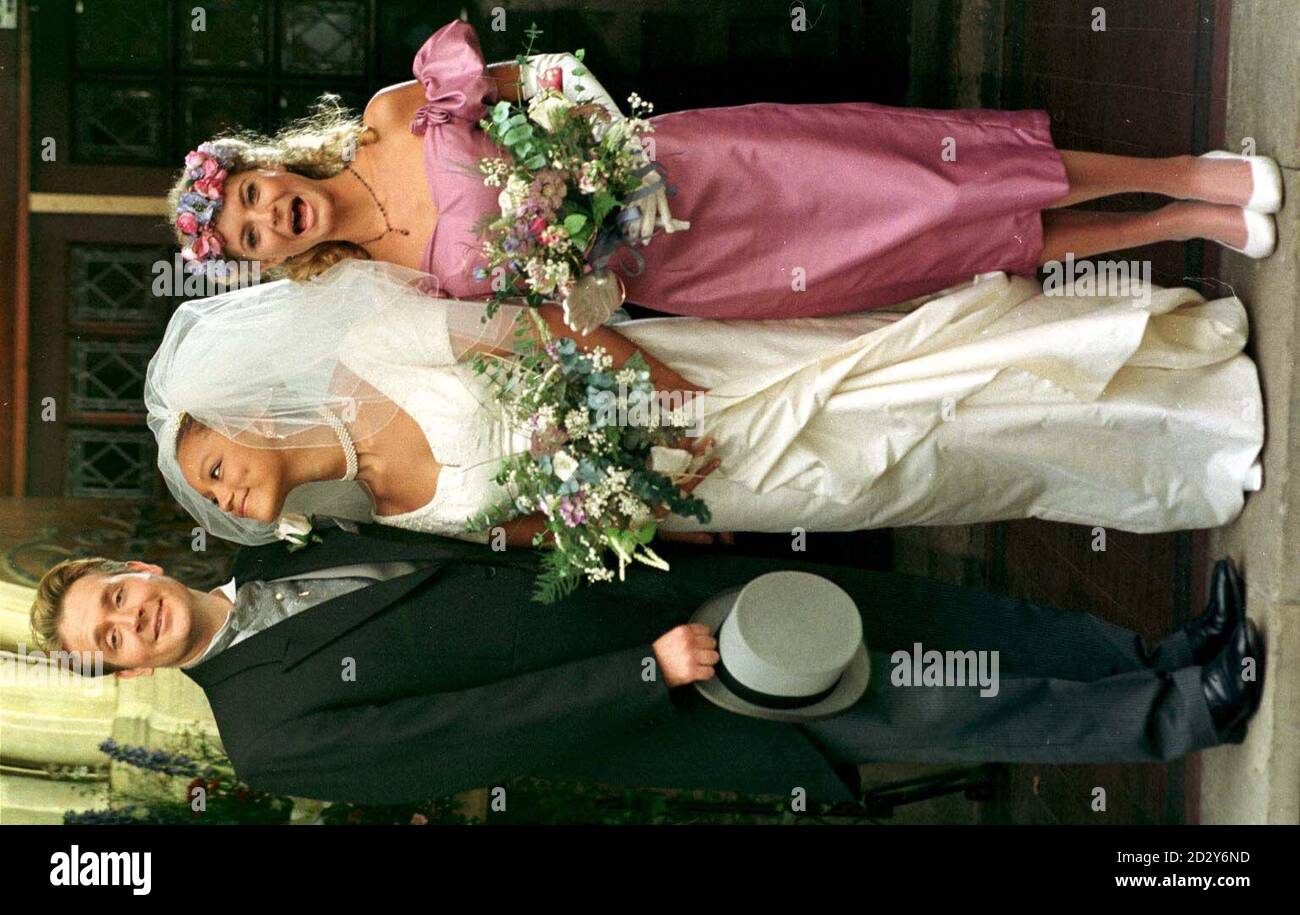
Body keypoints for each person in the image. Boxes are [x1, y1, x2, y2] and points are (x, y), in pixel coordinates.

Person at [30, 527, 1263, 805]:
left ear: (134, 570)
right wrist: (644, 676)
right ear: (119, 672)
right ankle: (1182, 713)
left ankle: (1151, 656)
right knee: (930, 694)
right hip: (673, 683)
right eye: (104, 639)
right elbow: (477, 739)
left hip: (667, 593)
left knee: (933, 613)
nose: (126, 620)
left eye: (112, 597)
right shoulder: (265, 735)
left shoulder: (292, 545)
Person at [168, 19, 1282, 320]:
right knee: (947, 247)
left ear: (268, 167)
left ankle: (1188, 167)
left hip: (704, 167)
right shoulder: (387, 282)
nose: (275, 216)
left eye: (256, 195)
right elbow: (530, 313)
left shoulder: (390, 113)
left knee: (939, 177)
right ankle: (1186, 231)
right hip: (688, 275)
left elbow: (544, 75)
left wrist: (604, 159)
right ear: (277, 260)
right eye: (256, 235)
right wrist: (584, 270)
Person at [143, 258, 1263, 548]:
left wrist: (653, 403)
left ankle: (1173, 374)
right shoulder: (383, 514)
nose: (230, 491)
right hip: (693, 490)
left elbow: (537, 325)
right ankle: (1167, 459)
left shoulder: (370, 353)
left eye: (214, 468)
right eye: (218, 501)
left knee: (908, 390)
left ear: (243, 414)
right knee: (932, 476)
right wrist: (615, 513)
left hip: (689, 387)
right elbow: (527, 529)